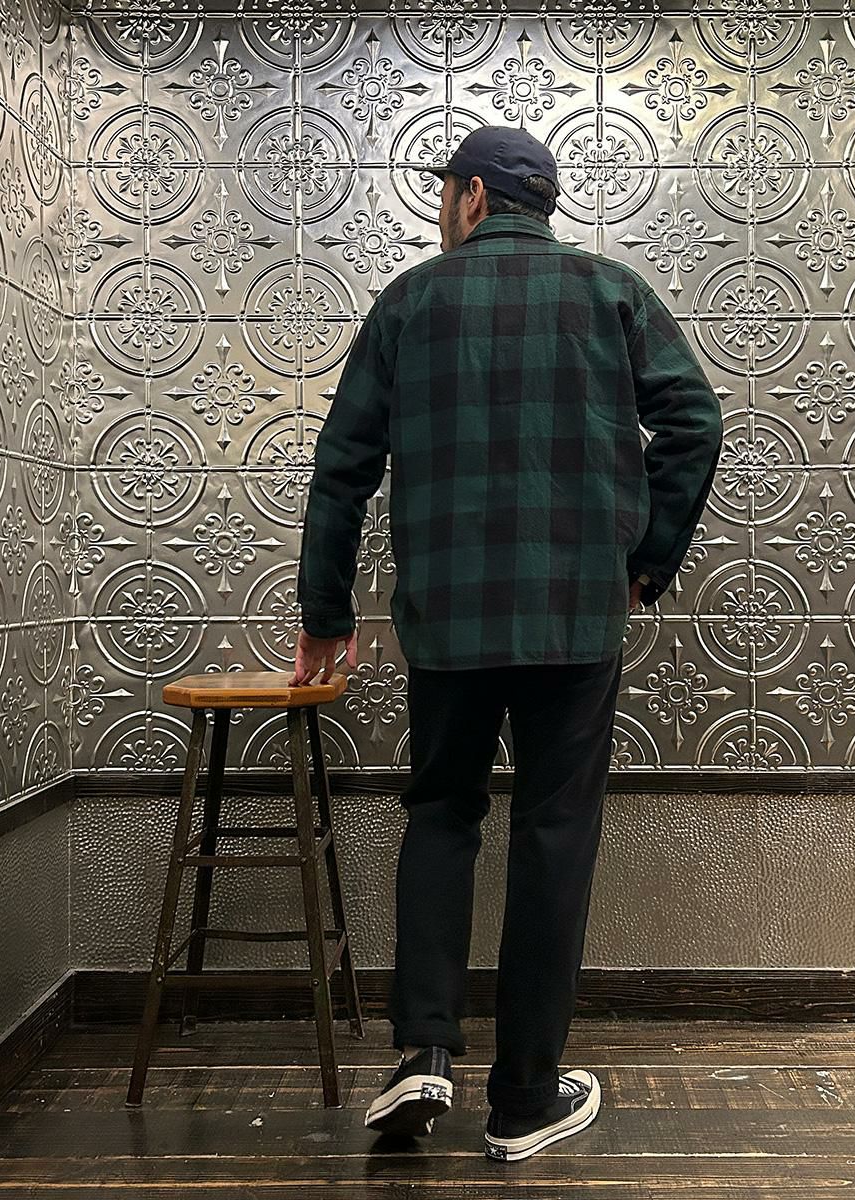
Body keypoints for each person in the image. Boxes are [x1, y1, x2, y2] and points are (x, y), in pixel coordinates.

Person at [292, 125, 724, 1163]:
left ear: (476, 196)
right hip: (577, 617)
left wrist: (326, 614)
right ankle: (525, 1095)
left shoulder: (409, 301)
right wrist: (646, 560)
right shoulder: (614, 292)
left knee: (442, 813)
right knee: (553, 832)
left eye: (446, 191)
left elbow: (342, 466)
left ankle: (422, 1051)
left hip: (448, 619)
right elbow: (696, 422)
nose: (443, 209)